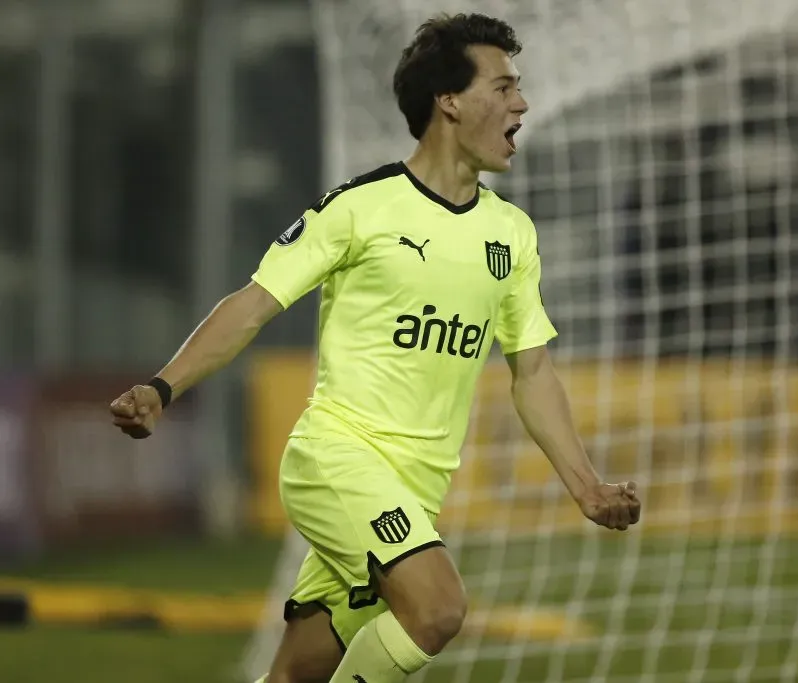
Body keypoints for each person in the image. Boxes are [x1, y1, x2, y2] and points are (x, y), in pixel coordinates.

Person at [109, 12, 641, 683]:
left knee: (293, 676)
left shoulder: (512, 236)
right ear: (450, 101)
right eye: (503, 87)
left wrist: (586, 484)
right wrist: (162, 387)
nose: (522, 103)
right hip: (337, 461)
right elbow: (252, 304)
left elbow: (531, 369)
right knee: (438, 607)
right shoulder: (361, 209)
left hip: (415, 490)